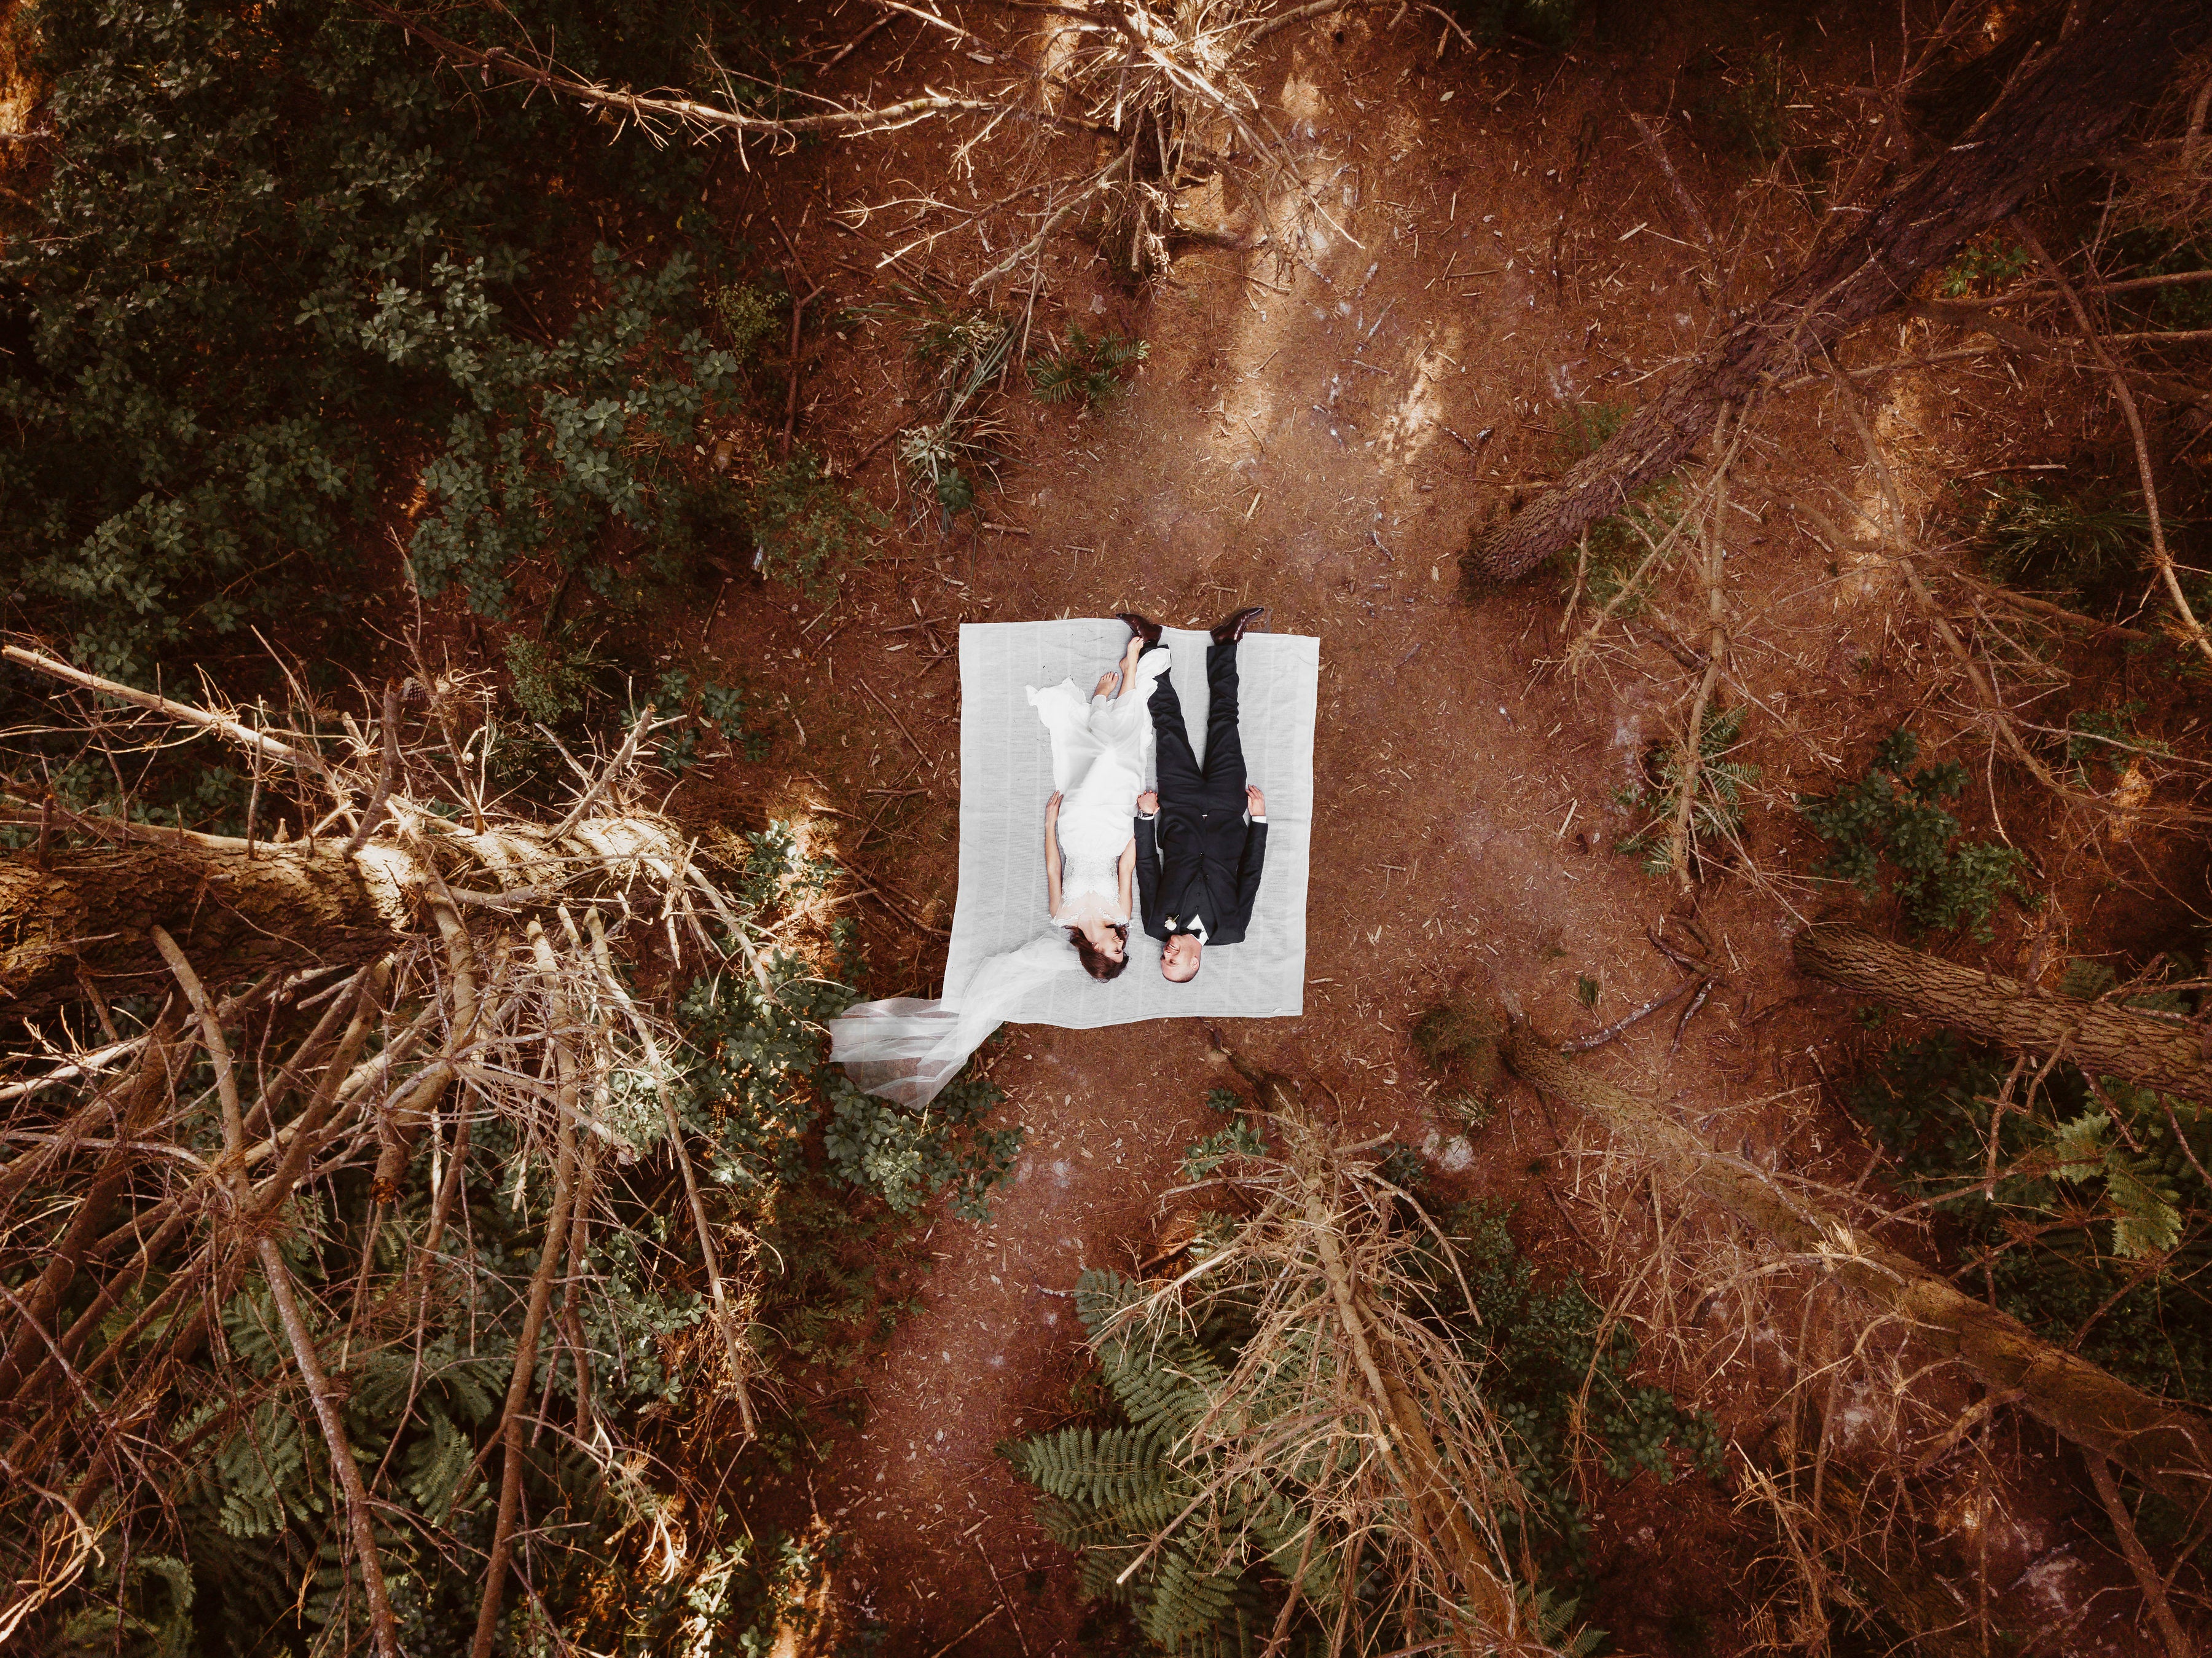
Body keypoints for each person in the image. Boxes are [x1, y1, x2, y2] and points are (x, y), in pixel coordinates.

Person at [1120, 605, 1269, 983]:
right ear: (1194, 963)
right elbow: (1251, 874)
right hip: (1227, 806)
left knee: (1167, 726)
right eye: (1173, 961)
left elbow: (1148, 867)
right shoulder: (1233, 929)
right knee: (1225, 722)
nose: (1166, 953)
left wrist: (1147, 816)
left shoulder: (1156, 924)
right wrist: (1260, 820)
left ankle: (1152, 645)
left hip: (1180, 806)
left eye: (1163, 960)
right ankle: (1225, 645)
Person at [1028, 630, 1166, 980]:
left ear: (1097, 951)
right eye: (1123, 946)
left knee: (1103, 756)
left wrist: (1050, 824)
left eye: (1117, 949)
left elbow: (1053, 869)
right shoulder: (1121, 913)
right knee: (1123, 758)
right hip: (1113, 833)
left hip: (1075, 832)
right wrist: (1144, 820)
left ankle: (1101, 703)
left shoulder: (1061, 915)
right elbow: (1126, 868)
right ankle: (1128, 674)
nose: (1122, 940)